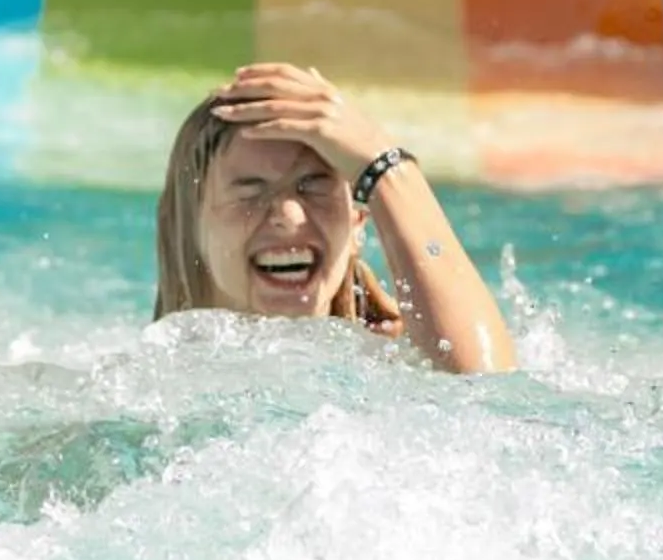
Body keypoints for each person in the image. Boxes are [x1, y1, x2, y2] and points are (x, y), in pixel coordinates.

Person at [152, 63, 517, 375]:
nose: (289, 216)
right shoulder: (140, 387)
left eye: (313, 185)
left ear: (358, 222)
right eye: (250, 191)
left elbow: (483, 392)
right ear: (188, 227)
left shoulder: (392, 366)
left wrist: (384, 166)